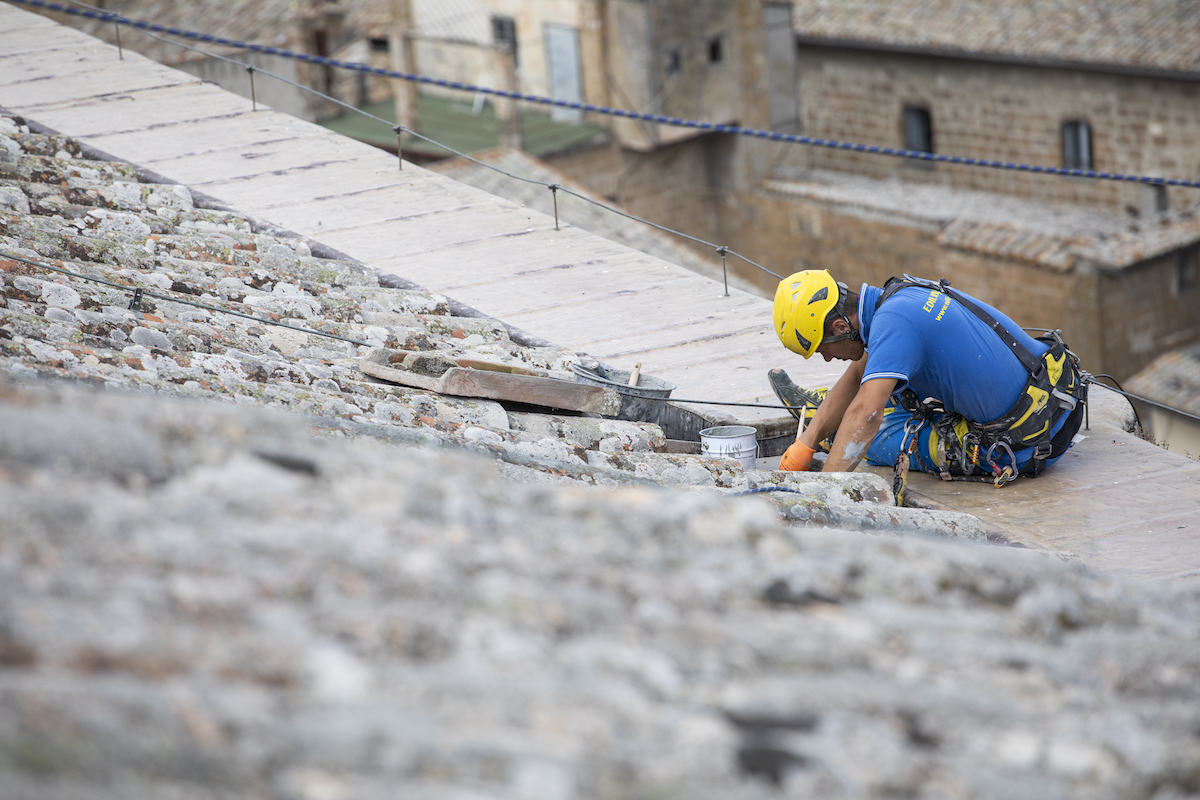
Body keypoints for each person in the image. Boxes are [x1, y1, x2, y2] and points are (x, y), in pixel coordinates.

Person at [769, 270, 1087, 492]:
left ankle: (833, 428)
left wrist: (824, 491)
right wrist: (803, 446)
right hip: (1054, 397)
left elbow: (866, 414)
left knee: (874, 436)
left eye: (822, 348)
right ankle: (823, 420)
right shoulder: (898, 298)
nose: (826, 358)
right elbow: (857, 374)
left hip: (1023, 442)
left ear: (841, 326)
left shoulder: (893, 326)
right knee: (873, 383)